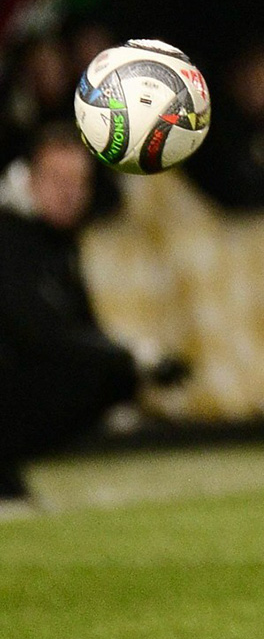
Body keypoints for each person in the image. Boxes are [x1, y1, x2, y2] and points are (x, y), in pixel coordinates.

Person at [0, 123, 188, 505]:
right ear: (29, 177)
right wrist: (131, 356)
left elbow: (78, 323)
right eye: (57, 180)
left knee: (112, 378)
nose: (70, 193)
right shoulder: (9, 234)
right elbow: (32, 329)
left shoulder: (57, 240)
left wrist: (134, 359)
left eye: (79, 182)